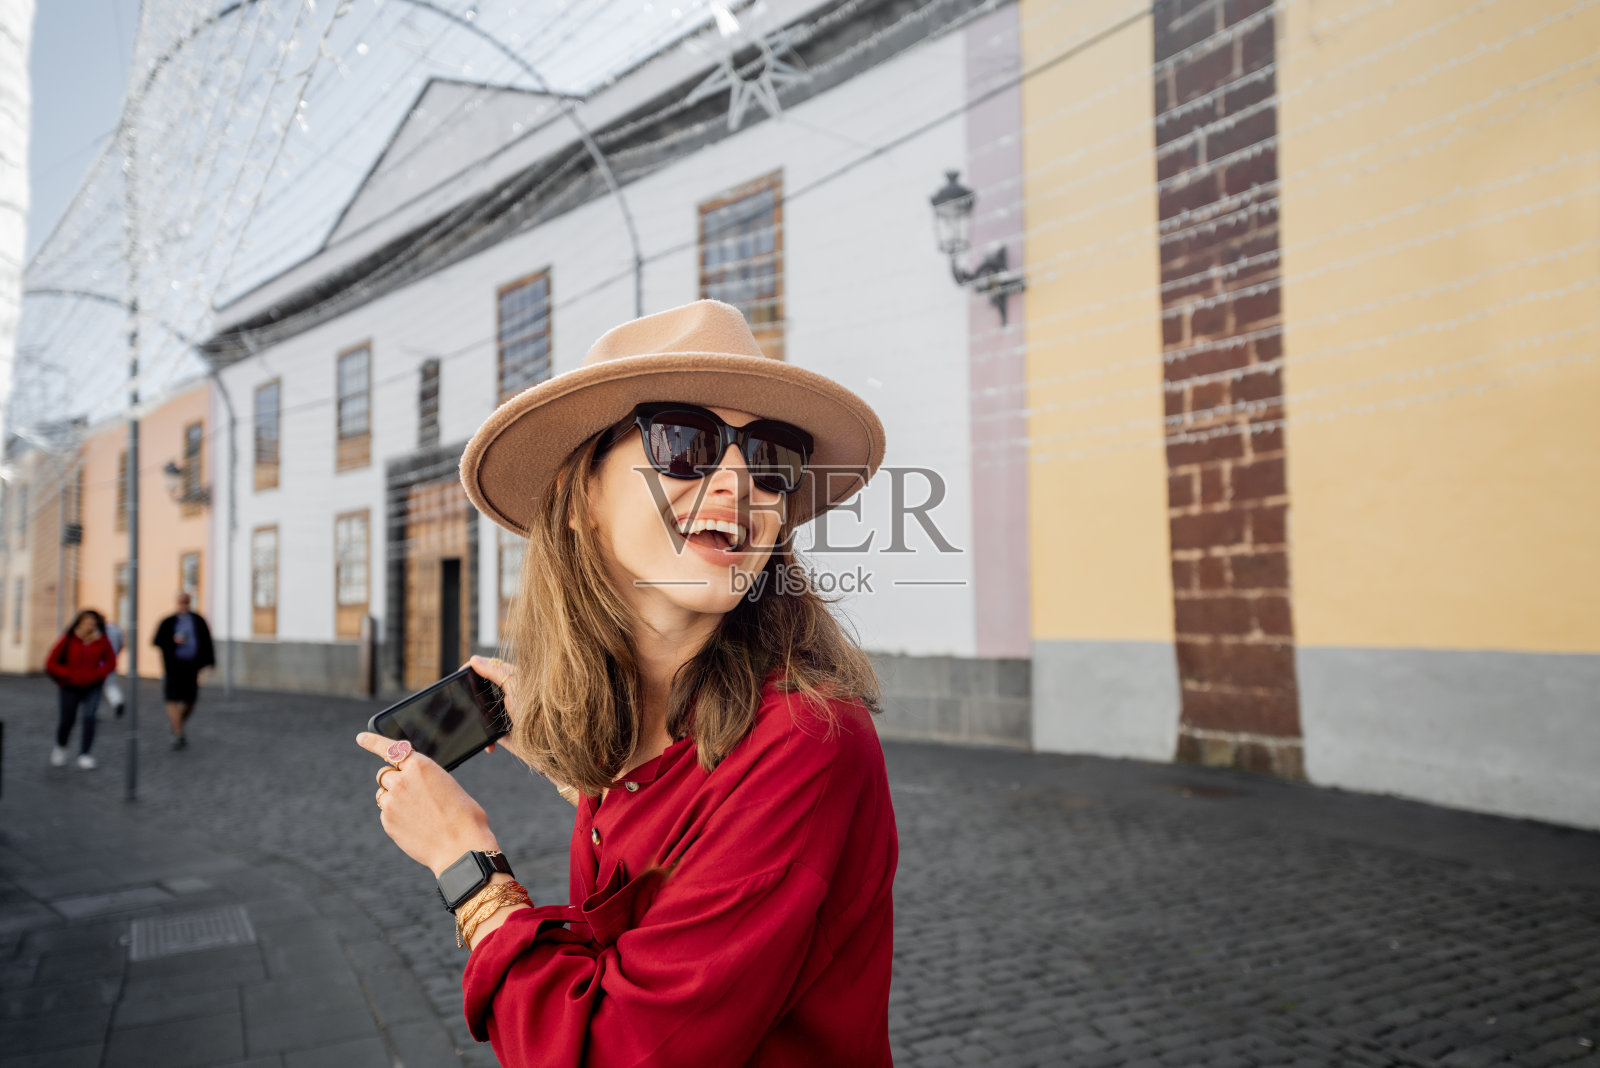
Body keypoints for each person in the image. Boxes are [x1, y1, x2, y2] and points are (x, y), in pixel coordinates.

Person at [356, 299, 896, 1066]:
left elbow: (615, 1051)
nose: (741, 485)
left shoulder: (808, 734)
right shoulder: (647, 728)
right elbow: (681, 842)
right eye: (685, 442)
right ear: (582, 500)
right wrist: (583, 778)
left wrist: (464, 859)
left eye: (771, 459)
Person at [45, 609, 117, 770]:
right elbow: (50, 663)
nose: (89, 626)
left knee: (90, 718)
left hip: (93, 686)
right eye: (86, 622)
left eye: (92, 623)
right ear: (79, 623)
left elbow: (111, 662)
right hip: (69, 686)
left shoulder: (102, 640)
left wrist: (98, 674)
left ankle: (85, 754)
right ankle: (61, 748)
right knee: (67, 719)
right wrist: (67, 674)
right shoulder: (68, 639)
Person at [152, 592, 215, 750]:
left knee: (190, 701)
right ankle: (178, 732)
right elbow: (157, 640)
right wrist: (172, 641)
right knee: (172, 698)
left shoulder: (198, 620)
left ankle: (177, 724)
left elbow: (207, 641)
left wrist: (210, 661)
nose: (184, 605)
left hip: (192, 666)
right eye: (181, 602)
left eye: (186, 602)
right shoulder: (168, 621)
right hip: (174, 666)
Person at [102, 618, 125, 718]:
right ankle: (117, 701)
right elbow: (121, 644)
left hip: (99, 664)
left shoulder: (100, 631)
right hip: (112, 662)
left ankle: (94, 711)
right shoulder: (116, 629)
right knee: (111, 685)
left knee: (96, 689)